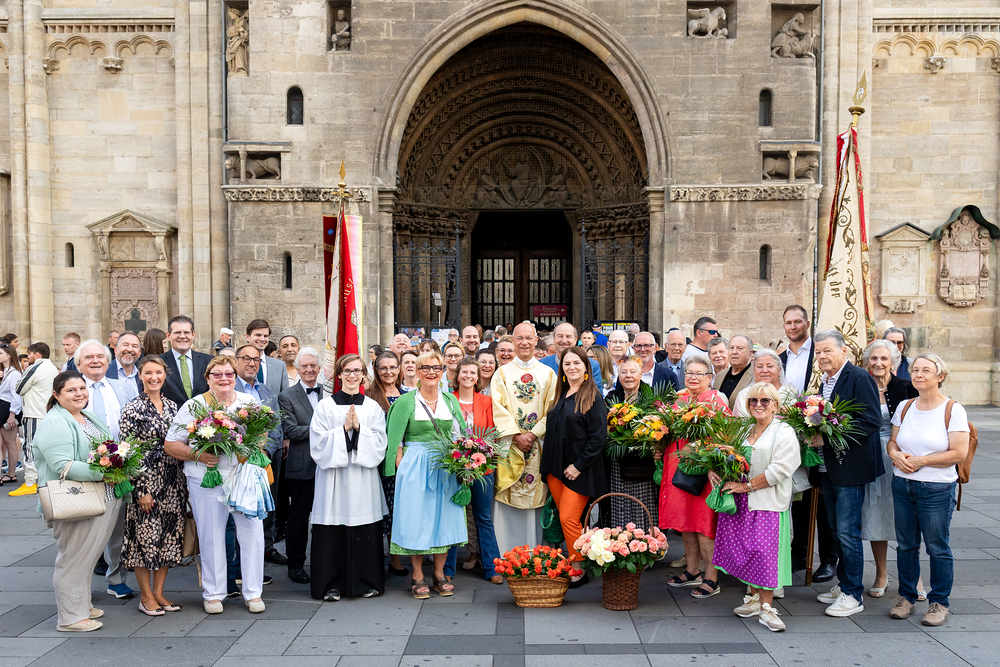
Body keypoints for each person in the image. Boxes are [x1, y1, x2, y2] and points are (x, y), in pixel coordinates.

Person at [164, 356, 267, 614]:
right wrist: (198, 455)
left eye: (229, 374)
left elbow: (263, 435)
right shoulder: (194, 406)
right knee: (211, 535)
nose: (224, 379)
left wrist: (252, 447)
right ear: (207, 378)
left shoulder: (249, 402)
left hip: (243, 477)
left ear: (235, 376)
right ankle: (213, 594)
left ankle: (253, 593)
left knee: (253, 533)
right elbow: (171, 444)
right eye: (217, 374)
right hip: (207, 478)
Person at [33, 371, 122, 632]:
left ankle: (82, 605)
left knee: (88, 556)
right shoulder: (54, 422)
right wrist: (106, 472)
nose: (79, 393)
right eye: (71, 390)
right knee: (73, 558)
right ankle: (71, 617)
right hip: (75, 500)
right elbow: (62, 465)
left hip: (102, 497)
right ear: (56, 394)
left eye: (82, 388)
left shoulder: (86, 416)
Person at [887, 354, 969, 627]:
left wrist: (921, 461)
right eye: (915, 370)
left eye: (926, 370)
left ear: (940, 376)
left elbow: (959, 453)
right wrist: (895, 455)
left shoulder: (953, 410)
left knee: (937, 546)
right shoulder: (905, 406)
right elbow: (893, 442)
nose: (918, 374)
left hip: (936, 487)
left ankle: (939, 602)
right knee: (906, 545)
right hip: (902, 484)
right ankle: (907, 597)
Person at [712, 382, 800, 632]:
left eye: (765, 401)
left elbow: (781, 469)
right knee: (746, 550)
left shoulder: (783, 431)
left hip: (766, 501)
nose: (758, 405)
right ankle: (753, 599)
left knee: (764, 554)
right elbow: (726, 455)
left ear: (775, 405)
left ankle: (767, 607)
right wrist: (713, 469)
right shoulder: (745, 429)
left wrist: (747, 486)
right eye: (753, 400)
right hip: (740, 502)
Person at [386, 351, 468, 599]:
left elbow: (460, 434)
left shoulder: (450, 400)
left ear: (443, 372)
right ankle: (418, 575)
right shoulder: (405, 402)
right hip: (415, 464)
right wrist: (403, 469)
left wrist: (464, 462)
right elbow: (395, 440)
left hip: (445, 466)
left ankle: (440, 574)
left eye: (436, 368)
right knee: (416, 519)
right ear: (416, 372)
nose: (431, 372)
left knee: (444, 519)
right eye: (425, 368)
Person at [812, 330, 882, 617]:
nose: (822, 356)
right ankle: (844, 584)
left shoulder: (859, 377)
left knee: (847, 531)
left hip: (850, 468)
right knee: (835, 529)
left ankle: (853, 594)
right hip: (827, 467)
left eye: (827, 350)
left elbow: (871, 421)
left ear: (844, 351)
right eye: (818, 352)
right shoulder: (825, 381)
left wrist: (827, 437)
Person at [309, 354, 388, 601]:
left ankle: (367, 581)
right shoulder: (325, 406)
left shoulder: (373, 408)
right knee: (332, 529)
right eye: (347, 371)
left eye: (357, 371)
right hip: (333, 480)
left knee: (365, 528)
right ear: (339, 375)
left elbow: (380, 444)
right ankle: (330, 584)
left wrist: (360, 429)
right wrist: (343, 429)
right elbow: (317, 444)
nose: (352, 375)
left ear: (364, 375)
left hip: (363, 478)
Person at [659, 355, 730, 598]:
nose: (693, 377)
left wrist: (703, 452)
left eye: (699, 373)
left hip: (703, 473)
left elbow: (726, 437)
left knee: (703, 525)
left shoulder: (715, 401)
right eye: (689, 372)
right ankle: (692, 570)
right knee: (685, 522)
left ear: (710, 377)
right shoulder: (680, 400)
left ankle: (711, 577)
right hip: (678, 470)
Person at [119, 356, 185, 616]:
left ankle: (159, 592)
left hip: (173, 481)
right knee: (144, 538)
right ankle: (145, 596)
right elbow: (127, 451)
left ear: (165, 375)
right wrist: (140, 490)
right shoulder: (132, 408)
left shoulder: (172, 406)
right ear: (140, 376)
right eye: (148, 372)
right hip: (146, 481)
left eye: (158, 372)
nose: (153, 377)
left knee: (168, 537)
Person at [76, 339, 139, 599]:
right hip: (84, 469)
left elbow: (133, 424)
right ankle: (79, 587)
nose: (95, 361)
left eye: (100, 357)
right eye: (88, 357)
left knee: (117, 528)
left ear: (108, 361)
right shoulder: (73, 388)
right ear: (79, 364)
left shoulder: (122, 387)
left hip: (118, 470)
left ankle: (116, 580)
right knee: (84, 532)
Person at [540, 346, 608, 587]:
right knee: (568, 519)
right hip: (555, 470)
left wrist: (578, 466)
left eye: (577, 363)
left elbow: (598, 438)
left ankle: (578, 569)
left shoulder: (593, 397)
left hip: (580, 471)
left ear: (586, 367)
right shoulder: (561, 393)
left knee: (569, 518)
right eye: (567, 364)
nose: (572, 367)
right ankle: (577, 560)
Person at [778, 305, 835, 581]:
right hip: (788, 435)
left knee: (822, 499)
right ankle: (798, 553)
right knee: (798, 497)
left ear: (807, 323)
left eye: (798, 321)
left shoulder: (819, 354)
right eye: (788, 322)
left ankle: (828, 559)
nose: (793, 327)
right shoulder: (780, 358)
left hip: (816, 432)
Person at [490, 323, 558, 553]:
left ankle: (536, 553)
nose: (525, 342)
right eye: (519, 338)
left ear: (536, 340)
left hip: (538, 445)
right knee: (509, 496)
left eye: (529, 338)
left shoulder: (548, 374)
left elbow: (553, 409)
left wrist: (533, 433)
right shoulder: (502, 374)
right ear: (513, 340)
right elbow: (497, 408)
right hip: (511, 445)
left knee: (536, 496)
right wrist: (516, 436)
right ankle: (506, 553)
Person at [862, 339, 920, 599]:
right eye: (874, 358)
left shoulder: (907, 387)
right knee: (877, 516)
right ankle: (881, 574)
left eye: (884, 358)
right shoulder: (861, 386)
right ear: (867, 361)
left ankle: (915, 578)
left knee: (908, 519)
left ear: (893, 362)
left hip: (901, 459)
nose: (878, 363)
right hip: (871, 458)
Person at [445, 356, 502, 584]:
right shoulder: (448, 400)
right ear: (457, 376)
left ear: (478, 378)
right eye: (464, 372)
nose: (468, 376)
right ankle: (447, 570)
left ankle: (492, 568)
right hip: (454, 467)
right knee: (452, 517)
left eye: (472, 373)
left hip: (482, 468)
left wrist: (483, 458)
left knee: (483, 517)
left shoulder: (486, 402)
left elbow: (492, 433)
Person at [233, 345, 286, 566]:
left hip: (265, 458)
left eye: (256, 359)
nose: (251, 363)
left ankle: (266, 548)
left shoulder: (266, 391)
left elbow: (276, 425)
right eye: (246, 358)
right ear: (236, 361)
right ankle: (240, 559)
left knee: (267, 503)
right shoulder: (229, 387)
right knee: (241, 510)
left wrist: (266, 451)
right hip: (238, 460)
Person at [277, 348, 324, 584]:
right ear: (297, 368)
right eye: (304, 366)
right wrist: (327, 430)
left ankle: (325, 562)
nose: (309, 370)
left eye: (313, 365)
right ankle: (295, 565)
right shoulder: (287, 396)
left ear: (319, 368)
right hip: (302, 465)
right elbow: (292, 431)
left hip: (329, 465)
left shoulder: (330, 393)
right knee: (298, 518)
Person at [605, 356, 658, 530]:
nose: (628, 376)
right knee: (619, 503)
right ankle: (620, 540)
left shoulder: (652, 397)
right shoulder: (612, 398)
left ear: (641, 374)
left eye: (633, 372)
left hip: (645, 463)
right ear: (618, 376)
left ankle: (647, 541)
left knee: (644, 505)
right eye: (624, 372)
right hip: (618, 462)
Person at [366, 351, 406, 576]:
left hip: (404, 460)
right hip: (378, 461)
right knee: (380, 508)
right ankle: (374, 555)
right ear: (376, 370)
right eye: (383, 368)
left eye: (393, 367)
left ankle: (395, 557)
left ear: (399, 369)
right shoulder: (369, 396)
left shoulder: (408, 395)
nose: (388, 372)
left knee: (397, 508)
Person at [12, 342, 59, 496]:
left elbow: (19, 388)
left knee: (30, 447)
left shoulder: (35, 367)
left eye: (29, 354)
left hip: (34, 413)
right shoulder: (52, 367)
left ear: (37, 354)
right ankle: (46, 480)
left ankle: (30, 481)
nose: (28, 357)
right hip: (47, 412)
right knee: (46, 448)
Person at [160, 316, 212, 409]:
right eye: (177, 332)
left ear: (193, 335)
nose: (182, 336)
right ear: (168, 335)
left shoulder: (208, 361)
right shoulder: (159, 362)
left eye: (186, 332)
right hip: (170, 416)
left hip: (203, 416)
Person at [733, 349, 797, 417]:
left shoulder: (791, 393)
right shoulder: (745, 395)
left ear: (779, 370)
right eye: (760, 366)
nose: (764, 370)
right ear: (754, 371)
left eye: (770, 366)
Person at [540, 322, 602, 388]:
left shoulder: (592, 365)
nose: (564, 341)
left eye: (568, 336)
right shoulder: (542, 365)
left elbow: (595, 393)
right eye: (560, 336)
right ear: (554, 338)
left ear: (575, 339)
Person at [244, 319, 289, 396]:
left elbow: (285, 396)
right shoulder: (237, 363)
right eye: (258, 335)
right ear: (248, 337)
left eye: (265, 336)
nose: (262, 339)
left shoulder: (279, 366)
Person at [713, 334, 754, 411]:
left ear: (750, 353)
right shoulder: (720, 375)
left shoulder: (755, 376)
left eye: (740, 348)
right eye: (731, 348)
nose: (734, 352)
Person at [0, 344, 22, 485]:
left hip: (7, 407)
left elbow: (16, 395)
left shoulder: (14, 373)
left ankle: (11, 473)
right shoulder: (4, 371)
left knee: (10, 442)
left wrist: (12, 414)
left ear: (9, 355)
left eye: (0, 353)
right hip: (2, 405)